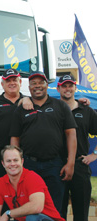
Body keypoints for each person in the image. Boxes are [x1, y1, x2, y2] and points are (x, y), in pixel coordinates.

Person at [10, 71, 77, 213]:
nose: (37, 86)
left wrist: (70, 163)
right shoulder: (21, 109)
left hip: (54, 165)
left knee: (54, 208)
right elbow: (15, 138)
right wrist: (16, 163)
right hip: (29, 165)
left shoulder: (61, 106)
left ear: (47, 85)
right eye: (33, 83)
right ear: (29, 88)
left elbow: (71, 134)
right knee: (29, 207)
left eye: (41, 82)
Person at [0, 145, 67, 221]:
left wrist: (8, 214)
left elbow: (37, 207)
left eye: (15, 160)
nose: (12, 164)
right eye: (8, 161)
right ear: (3, 164)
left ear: (22, 161)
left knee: (32, 219)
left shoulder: (32, 177)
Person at [57, 74, 97, 221]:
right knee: (58, 214)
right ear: (58, 88)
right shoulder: (54, 108)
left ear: (75, 88)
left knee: (81, 215)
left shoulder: (87, 110)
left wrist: (94, 154)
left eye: (70, 85)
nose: (67, 89)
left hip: (80, 166)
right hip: (57, 165)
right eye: (64, 86)